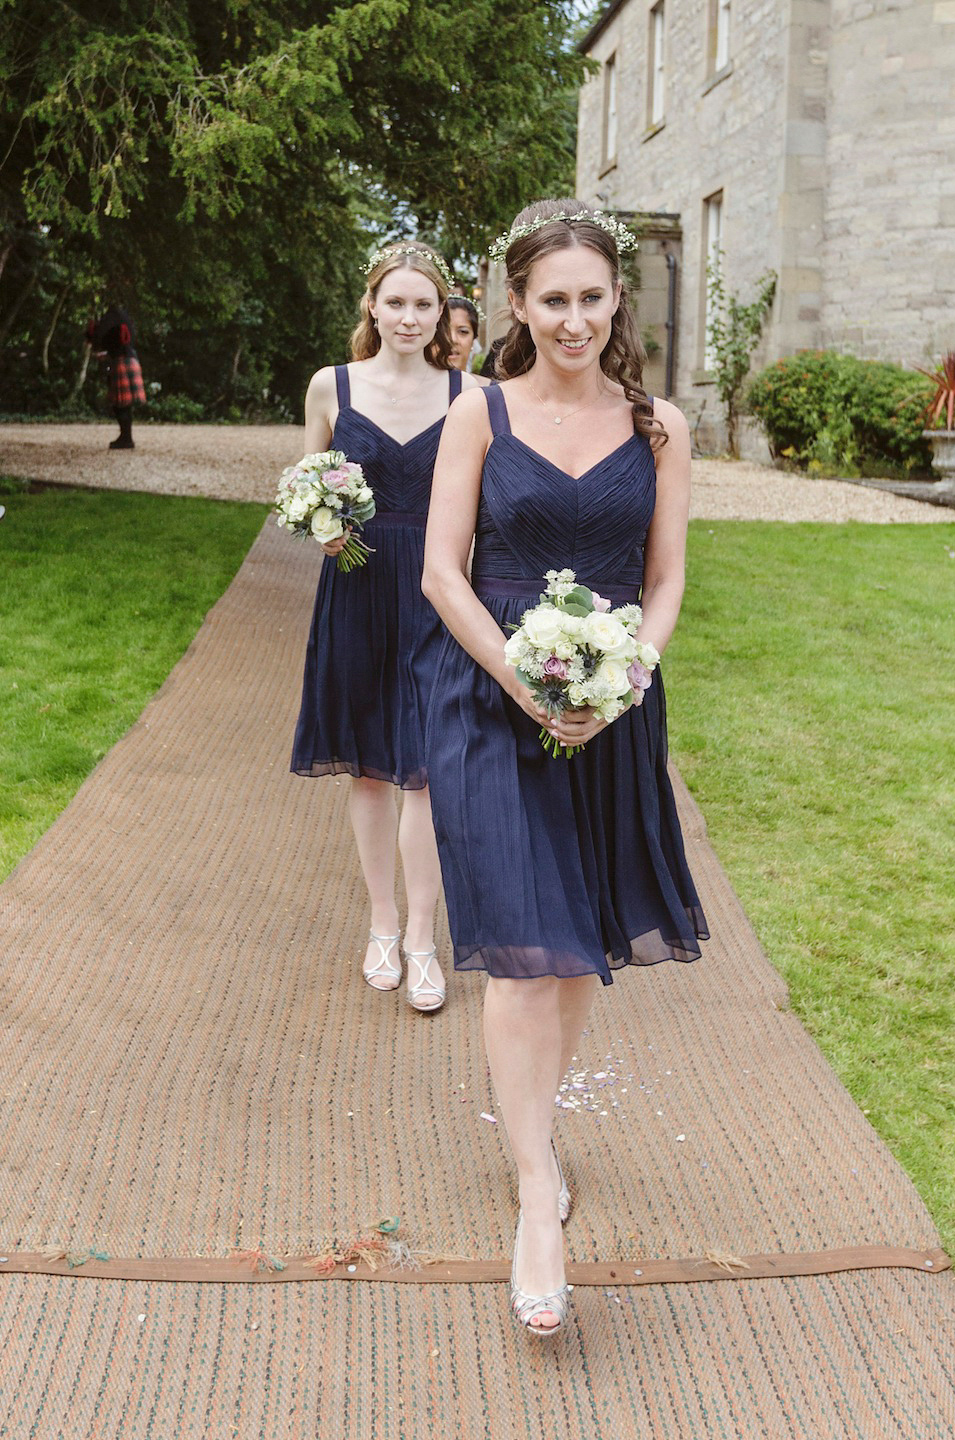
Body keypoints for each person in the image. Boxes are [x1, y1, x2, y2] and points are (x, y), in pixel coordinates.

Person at [422, 199, 708, 1331]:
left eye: (594, 297)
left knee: (580, 943)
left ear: (615, 301)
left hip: (613, 706)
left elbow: (668, 576)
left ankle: (533, 1132)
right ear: (517, 304)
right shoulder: (478, 416)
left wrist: (623, 673)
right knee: (521, 956)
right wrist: (522, 678)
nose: (577, 318)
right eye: (555, 299)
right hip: (491, 699)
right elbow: (445, 573)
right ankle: (537, 1191)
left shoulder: (661, 427)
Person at [291, 243, 485, 1013]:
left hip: (439, 590)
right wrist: (321, 531)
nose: (408, 317)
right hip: (357, 584)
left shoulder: (472, 394)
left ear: (444, 316)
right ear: (372, 304)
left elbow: (486, 507)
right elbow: (302, 486)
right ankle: (380, 924)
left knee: (429, 770)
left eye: (424, 305)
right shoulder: (330, 387)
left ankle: (421, 939)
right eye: (395, 302)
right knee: (371, 769)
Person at [85, 307, 145, 450]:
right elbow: (120, 345)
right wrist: (107, 354)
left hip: (121, 362)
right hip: (132, 359)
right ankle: (126, 437)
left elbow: (99, 339)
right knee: (125, 404)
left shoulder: (109, 321)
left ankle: (126, 438)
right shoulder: (121, 320)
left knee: (120, 403)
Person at [447, 295, 481, 373]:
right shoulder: (413, 385)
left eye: (463, 331)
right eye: (443, 331)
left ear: (473, 340)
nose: (453, 339)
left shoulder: (490, 385)